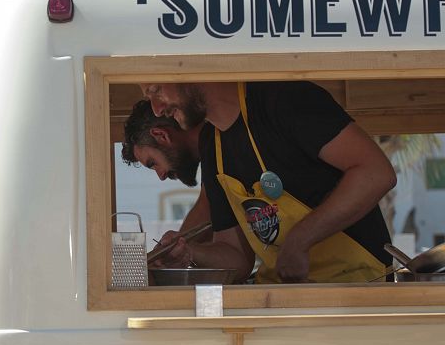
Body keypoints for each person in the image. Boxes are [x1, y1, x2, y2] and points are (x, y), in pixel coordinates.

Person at [124, 80, 397, 283]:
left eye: (156, 90)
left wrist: (300, 239)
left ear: (189, 69)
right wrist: (189, 252)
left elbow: (376, 172)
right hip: (284, 298)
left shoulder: (286, 100)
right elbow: (237, 258)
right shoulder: (212, 144)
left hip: (358, 288)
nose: (157, 109)